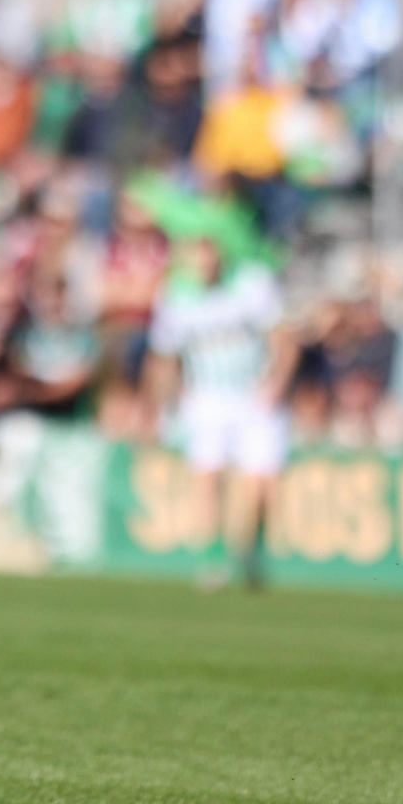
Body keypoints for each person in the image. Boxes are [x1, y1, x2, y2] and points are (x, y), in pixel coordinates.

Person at [144, 236, 296, 588]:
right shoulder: (176, 298)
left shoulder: (251, 287)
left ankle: (248, 548)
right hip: (206, 397)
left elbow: (284, 339)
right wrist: (157, 407)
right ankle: (214, 560)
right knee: (208, 478)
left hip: (252, 394)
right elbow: (164, 357)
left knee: (260, 483)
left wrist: (276, 384)